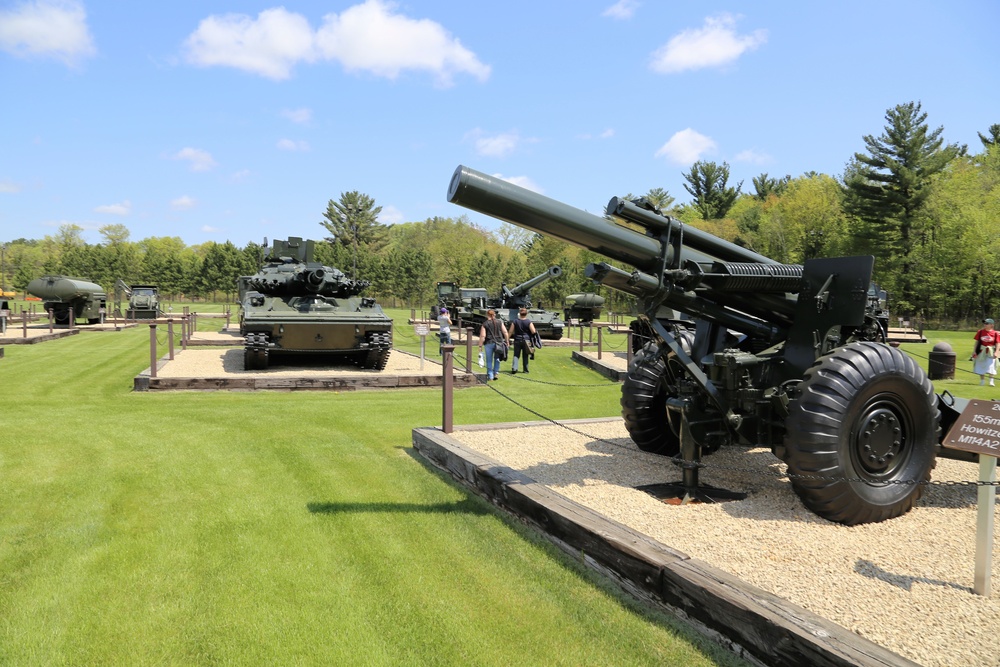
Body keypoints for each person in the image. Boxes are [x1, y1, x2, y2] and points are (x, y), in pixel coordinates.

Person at [478, 309, 509, 381]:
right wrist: (507, 341)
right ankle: (496, 373)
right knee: (497, 358)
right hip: (499, 342)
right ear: (494, 314)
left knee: (489, 360)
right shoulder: (499, 322)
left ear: (487, 315)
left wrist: (480, 345)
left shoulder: (485, 324)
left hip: (488, 343)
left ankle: (490, 375)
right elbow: (505, 332)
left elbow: (483, 336)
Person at [507, 307, 537, 374]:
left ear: (519, 314)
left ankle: (514, 368)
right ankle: (525, 370)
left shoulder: (515, 321)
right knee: (525, 355)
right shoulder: (528, 322)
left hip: (517, 339)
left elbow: (511, 331)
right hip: (526, 340)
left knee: (516, 355)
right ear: (526, 314)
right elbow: (533, 331)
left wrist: (507, 338)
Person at [972, 318, 999, 386]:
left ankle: (991, 381)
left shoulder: (995, 333)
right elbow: (977, 342)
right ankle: (982, 381)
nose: (985, 325)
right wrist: (974, 351)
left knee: (991, 366)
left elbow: (997, 343)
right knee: (981, 365)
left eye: (987, 323)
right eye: (984, 323)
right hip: (981, 351)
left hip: (991, 351)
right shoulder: (980, 332)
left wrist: (996, 352)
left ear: (991, 325)